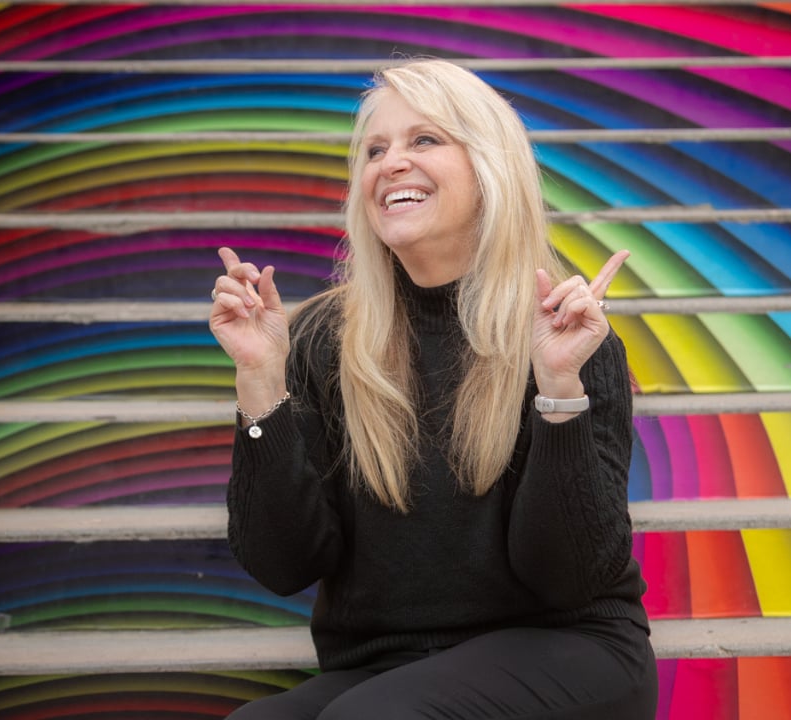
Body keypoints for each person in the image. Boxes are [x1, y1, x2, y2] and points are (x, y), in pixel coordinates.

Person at [209, 57, 657, 719]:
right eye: (374, 149)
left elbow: (571, 575)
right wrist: (259, 382)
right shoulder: (324, 338)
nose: (391, 163)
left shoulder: (562, 333)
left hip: (566, 648)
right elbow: (285, 565)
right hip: (386, 664)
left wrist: (559, 385)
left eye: (425, 140)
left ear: (489, 166)